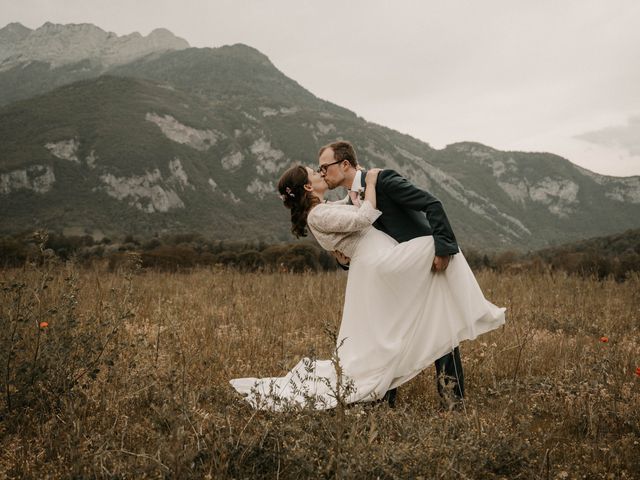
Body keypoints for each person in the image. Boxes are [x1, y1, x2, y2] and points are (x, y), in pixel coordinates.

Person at [229, 165, 505, 411]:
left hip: (375, 265)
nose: (320, 172)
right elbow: (363, 218)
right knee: (439, 244)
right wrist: (371, 182)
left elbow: (349, 210)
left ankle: (416, 379)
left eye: (322, 168)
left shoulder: (324, 209)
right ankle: (477, 310)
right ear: (308, 187)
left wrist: (357, 186)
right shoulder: (318, 215)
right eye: (315, 173)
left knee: (388, 332)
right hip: (378, 264)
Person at [318, 141, 463, 408]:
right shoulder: (348, 204)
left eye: (324, 167)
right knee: (388, 336)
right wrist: (344, 261)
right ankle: (384, 400)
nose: (322, 173)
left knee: (440, 332)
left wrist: (442, 249)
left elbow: (432, 204)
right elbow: (362, 249)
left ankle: (454, 402)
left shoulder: (383, 181)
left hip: (425, 266)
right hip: (391, 279)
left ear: (345, 164)